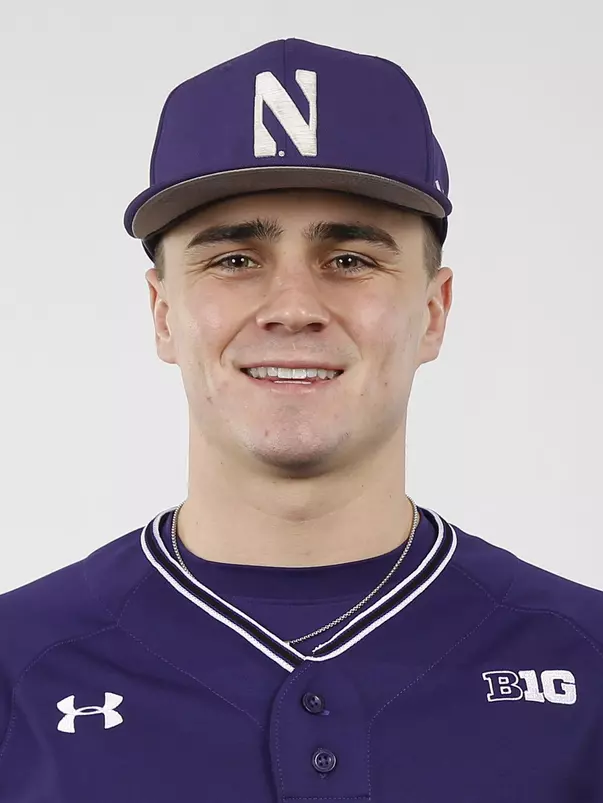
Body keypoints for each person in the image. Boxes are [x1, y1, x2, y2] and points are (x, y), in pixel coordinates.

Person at [0, 38, 601, 803]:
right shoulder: (18, 665)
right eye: (234, 259)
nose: (291, 308)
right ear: (160, 313)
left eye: (350, 259)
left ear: (432, 311)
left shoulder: (586, 658)